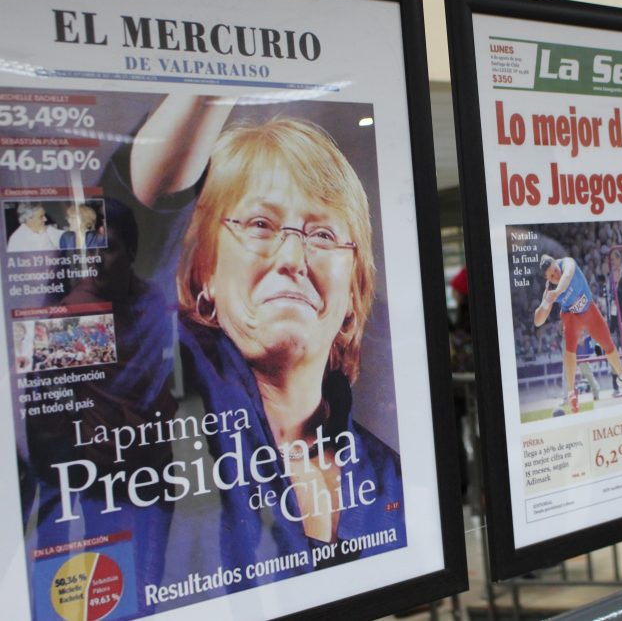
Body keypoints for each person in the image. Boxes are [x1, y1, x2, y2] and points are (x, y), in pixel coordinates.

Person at [25, 95, 404, 615]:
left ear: (354, 293)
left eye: (322, 234)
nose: (293, 257)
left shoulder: (388, 477)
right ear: (203, 272)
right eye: (260, 225)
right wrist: (213, 77)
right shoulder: (143, 391)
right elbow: (122, 248)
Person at [533, 254, 622, 413]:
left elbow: (567, 277)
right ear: (547, 279)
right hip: (571, 316)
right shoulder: (550, 290)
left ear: (556, 262)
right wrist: (546, 302)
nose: (556, 275)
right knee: (569, 353)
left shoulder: (567, 263)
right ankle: (571, 393)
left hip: (589, 309)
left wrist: (557, 291)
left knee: (608, 345)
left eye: (555, 270)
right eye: (551, 276)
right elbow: (538, 321)